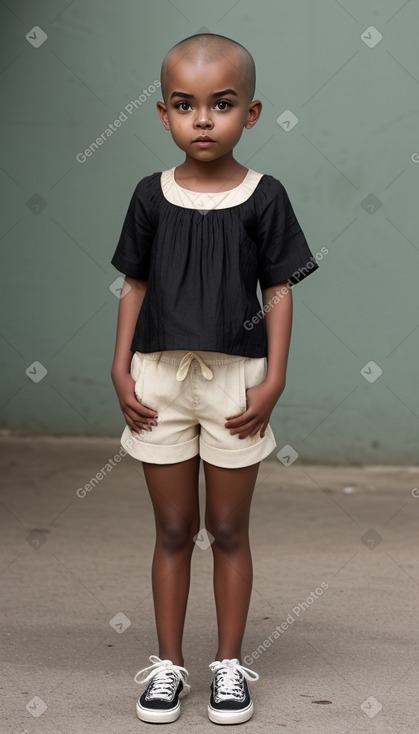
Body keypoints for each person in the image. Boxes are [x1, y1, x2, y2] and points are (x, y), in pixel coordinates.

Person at [110, 32, 319, 725]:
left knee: (228, 529)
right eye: (183, 104)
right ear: (163, 113)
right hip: (159, 379)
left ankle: (228, 668)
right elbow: (135, 284)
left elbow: (280, 291)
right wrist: (120, 366)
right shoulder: (150, 195)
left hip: (236, 382)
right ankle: (168, 667)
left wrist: (274, 379)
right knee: (173, 527)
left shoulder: (266, 198)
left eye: (221, 104)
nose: (202, 120)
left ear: (250, 113)